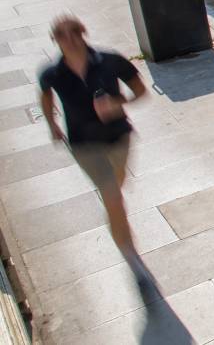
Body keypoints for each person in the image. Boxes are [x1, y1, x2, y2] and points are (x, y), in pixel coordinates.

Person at [38, 16, 154, 296]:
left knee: (118, 185)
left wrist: (118, 103)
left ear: (83, 33)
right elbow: (45, 96)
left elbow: (141, 91)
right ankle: (133, 261)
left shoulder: (110, 61)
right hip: (84, 145)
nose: (69, 39)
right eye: (62, 35)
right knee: (113, 197)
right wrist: (52, 123)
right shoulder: (52, 73)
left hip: (119, 138)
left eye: (74, 32)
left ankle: (115, 211)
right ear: (55, 40)